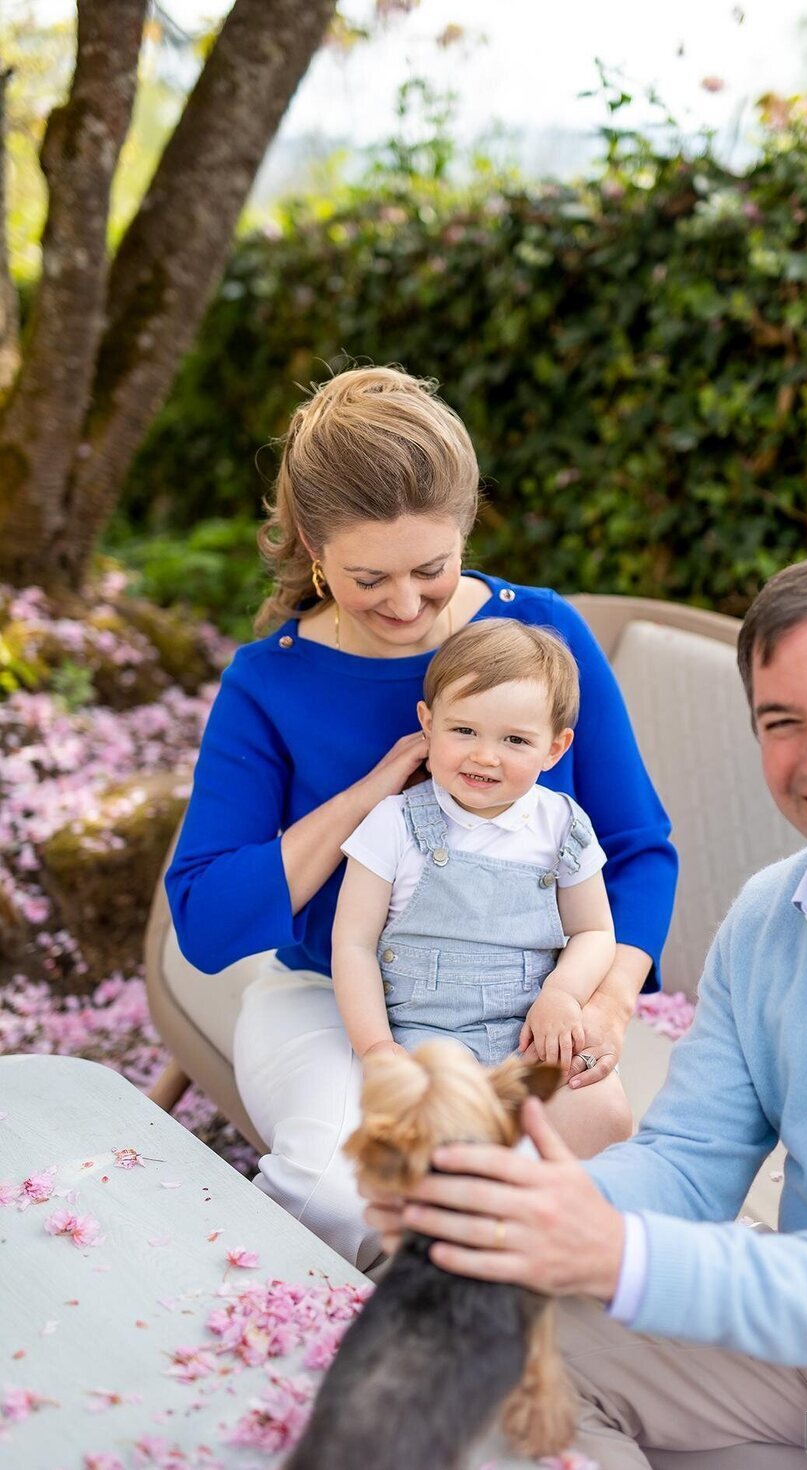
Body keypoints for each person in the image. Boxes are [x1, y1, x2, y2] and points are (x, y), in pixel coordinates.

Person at [367, 551, 807, 1466]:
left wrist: (614, 1252)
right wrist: (526, 1207)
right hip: (802, 1351)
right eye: (783, 721)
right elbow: (692, 1161)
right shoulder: (773, 914)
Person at [165, 365, 677, 1269]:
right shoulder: (268, 683)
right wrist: (373, 794)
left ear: (466, 529)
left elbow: (638, 855)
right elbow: (206, 921)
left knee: (587, 1171)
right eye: (368, 577)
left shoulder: (542, 638)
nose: (404, 606)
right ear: (313, 551)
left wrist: (603, 1006)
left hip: (517, 1001)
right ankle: (291, 1375)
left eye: (432, 571)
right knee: (342, 1188)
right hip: (331, 997)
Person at [332, 617, 632, 1159]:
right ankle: (477, 1219)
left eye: (515, 740)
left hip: (532, 1027)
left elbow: (593, 930)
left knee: (605, 1116)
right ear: (428, 723)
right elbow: (352, 944)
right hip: (429, 1034)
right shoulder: (395, 823)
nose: (485, 755)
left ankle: (574, 1224)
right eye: (464, 730)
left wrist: (562, 995)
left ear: (555, 749)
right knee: (453, 1136)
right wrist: (377, 1047)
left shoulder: (562, 825)